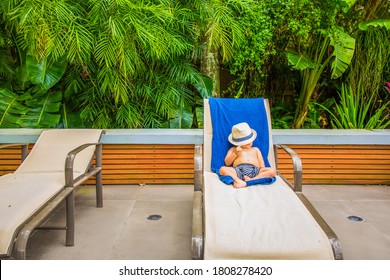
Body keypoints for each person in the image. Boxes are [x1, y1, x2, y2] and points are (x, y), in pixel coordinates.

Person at [219, 122, 276, 188]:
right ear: (237, 143)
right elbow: (227, 163)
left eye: (250, 140)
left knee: (272, 171)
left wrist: (261, 171)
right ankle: (238, 180)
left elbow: (261, 163)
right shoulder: (233, 149)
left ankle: (251, 180)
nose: (249, 142)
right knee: (222, 169)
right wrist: (235, 153)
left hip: (255, 170)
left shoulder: (255, 149)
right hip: (238, 170)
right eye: (245, 141)